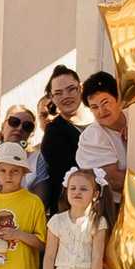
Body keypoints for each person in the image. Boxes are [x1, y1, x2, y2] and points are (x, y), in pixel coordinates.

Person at [76, 71, 130, 269]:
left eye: (106, 102)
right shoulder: (92, 137)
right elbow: (114, 180)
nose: (101, 112)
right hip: (111, 215)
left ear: (119, 98)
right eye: (94, 107)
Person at [35, 65, 85, 211]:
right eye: (58, 93)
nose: (65, 96)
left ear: (80, 89)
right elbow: (69, 177)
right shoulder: (54, 133)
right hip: (72, 212)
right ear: (52, 98)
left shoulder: (100, 122)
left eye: (71, 89)